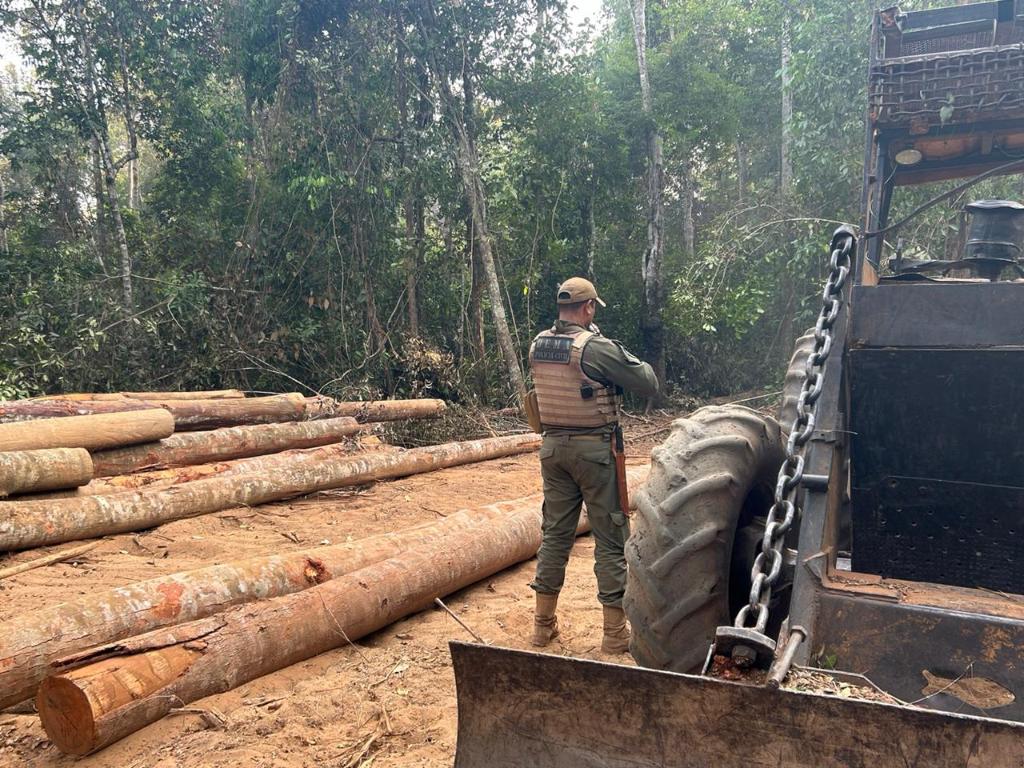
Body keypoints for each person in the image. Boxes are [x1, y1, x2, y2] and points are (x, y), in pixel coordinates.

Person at [527, 276, 659, 653]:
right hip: (595, 452)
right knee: (611, 537)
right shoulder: (593, 347)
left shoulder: (539, 344)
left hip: (552, 450)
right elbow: (647, 381)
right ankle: (614, 634)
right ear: (587, 308)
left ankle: (541, 627)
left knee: (554, 536)